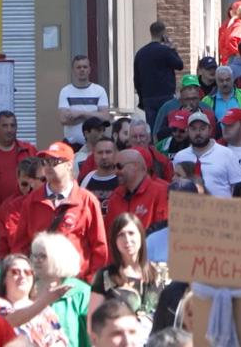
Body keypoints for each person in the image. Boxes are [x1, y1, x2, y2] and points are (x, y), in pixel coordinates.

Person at [12, 142, 109, 282]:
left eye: (54, 161)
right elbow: (20, 246)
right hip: (41, 283)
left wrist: (90, 284)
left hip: (76, 284)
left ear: (69, 165)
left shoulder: (87, 201)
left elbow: (99, 248)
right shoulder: (32, 201)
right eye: (45, 162)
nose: (49, 166)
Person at [88, 214, 164, 343]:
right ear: (114, 241)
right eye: (121, 235)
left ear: (141, 235)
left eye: (131, 233)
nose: (127, 239)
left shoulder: (161, 273)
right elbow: (92, 321)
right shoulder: (105, 276)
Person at [0, 254, 70, 347]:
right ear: (4, 278)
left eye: (28, 272)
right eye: (15, 272)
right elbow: (9, 321)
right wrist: (44, 302)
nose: (22, 276)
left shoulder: (46, 310)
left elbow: (60, 338)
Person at [171, 111, 241, 197]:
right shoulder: (180, 157)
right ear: (187, 130)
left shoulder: (227, 154)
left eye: (202, 128)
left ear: (210, 130)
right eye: (193, 129)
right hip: (189, 208)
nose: (198, 133)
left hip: (220, 208)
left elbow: (237, 187)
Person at [133, 21, 184, 127]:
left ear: (151, 33)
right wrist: (172, 48)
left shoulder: (140, 53)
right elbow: (179, 65)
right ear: (163, 33)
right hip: (166, 96)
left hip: (148, 98)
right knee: (166, 127)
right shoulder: (165, 51)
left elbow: (137, 79)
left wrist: (142, 98)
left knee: (152, 128)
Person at [105, 149, 169, 231]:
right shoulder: (115, 196)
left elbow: (163, 233)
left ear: (136, 166)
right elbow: (109, 232)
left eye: (119, 166)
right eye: (114, 167)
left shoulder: (161, 192)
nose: (115, 171)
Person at [0, 157, 45, 258]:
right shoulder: (8, 207)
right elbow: (4, 243)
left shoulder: (49, 201)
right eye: (24, 184)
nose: (28, 189)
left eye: (32, 185)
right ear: (18, 180)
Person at [58, 55, 110, 149]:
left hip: (95, 145)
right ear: (73, 70)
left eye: (85, 67)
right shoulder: (65, 91)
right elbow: (63, 119)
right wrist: (93, 118)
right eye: (78, 67)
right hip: (71, 145)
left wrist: (79, 113)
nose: (82, 70)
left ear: (89, 69)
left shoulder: (99, 90)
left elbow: (105, 117)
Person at [79, 137, 120, 216]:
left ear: (116, 154)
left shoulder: (122, 179)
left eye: (108, 152)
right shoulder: (85, 180)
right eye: (100, 152)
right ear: (94, 155)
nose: (104, 156)